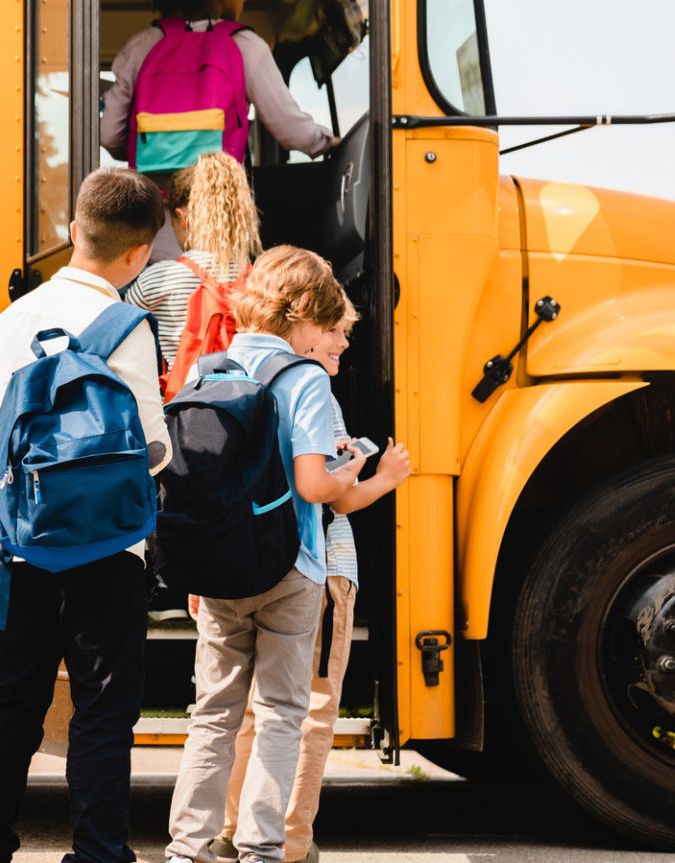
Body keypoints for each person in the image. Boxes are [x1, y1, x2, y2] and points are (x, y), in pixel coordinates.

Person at [0, 168, 171, 863]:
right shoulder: (127, 329)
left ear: (74, 231)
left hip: (16, 544)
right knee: (102, 709)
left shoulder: (14, 317)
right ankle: (98, 852)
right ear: (140, 255)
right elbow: (152, 444)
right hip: (107, 552)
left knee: (11, 698)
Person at [166, 246, 364, 863]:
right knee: (281, 712)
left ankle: (186, 845)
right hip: (290, 568)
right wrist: (356, 470)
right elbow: (313, 485)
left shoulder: (208, 369)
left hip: (219, 568)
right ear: (303, 312)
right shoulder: (303, 379)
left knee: (213, 716)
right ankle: (258, 846)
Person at [211, 299, 413, 863]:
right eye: (333, 330)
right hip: (318, 568)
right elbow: (333, 495)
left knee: (251, 711)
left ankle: (234, 830)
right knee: (310, 709)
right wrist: (384, 478)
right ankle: (290, 841)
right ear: (300, 327)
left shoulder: (234, 379)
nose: (343, 344)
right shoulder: (313, 393)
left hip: (245, 565)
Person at [102, 0, 338, 260]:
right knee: (218, 289)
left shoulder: (141, 45)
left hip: (156, 208)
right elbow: (294, 132)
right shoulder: (245, 45)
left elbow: (109, 134)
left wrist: (150, 148)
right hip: (220, 211)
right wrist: (326, 142)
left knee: (160, 287)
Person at [126, 151, 261, 367]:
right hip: (248, 397)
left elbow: (121, 333)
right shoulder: (262, 280)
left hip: (183, 398)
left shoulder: (158, 280)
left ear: (182, 218)